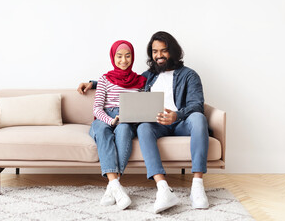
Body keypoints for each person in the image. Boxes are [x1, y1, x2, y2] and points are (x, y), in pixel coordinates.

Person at [78, 31, 209, 213]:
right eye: (155, 51)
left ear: (173, 52)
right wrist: (94, 83)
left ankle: (197, 186)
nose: (159, 55)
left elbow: (196, 105)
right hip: (156, 124)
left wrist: (177, 115)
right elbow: (124, 80)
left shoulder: (189, 75)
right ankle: (163, 188)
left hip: (181, 122)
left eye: (163, 51)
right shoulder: (148, 76)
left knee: (199, 118)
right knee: (144, 127)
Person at [89, 40, 146, 210]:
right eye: (119, 56)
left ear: (133, 57)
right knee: (102, 131)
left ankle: (112, 187)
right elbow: (97, 108)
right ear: (113, 58)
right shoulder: (104, 79)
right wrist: (110, 120)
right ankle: (115, 184)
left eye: (128, 56)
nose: (123, 60)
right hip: (104, 117)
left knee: (124, 129)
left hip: (127, 119)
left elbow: (143, 108)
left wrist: (128, 117)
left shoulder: (140, 81)